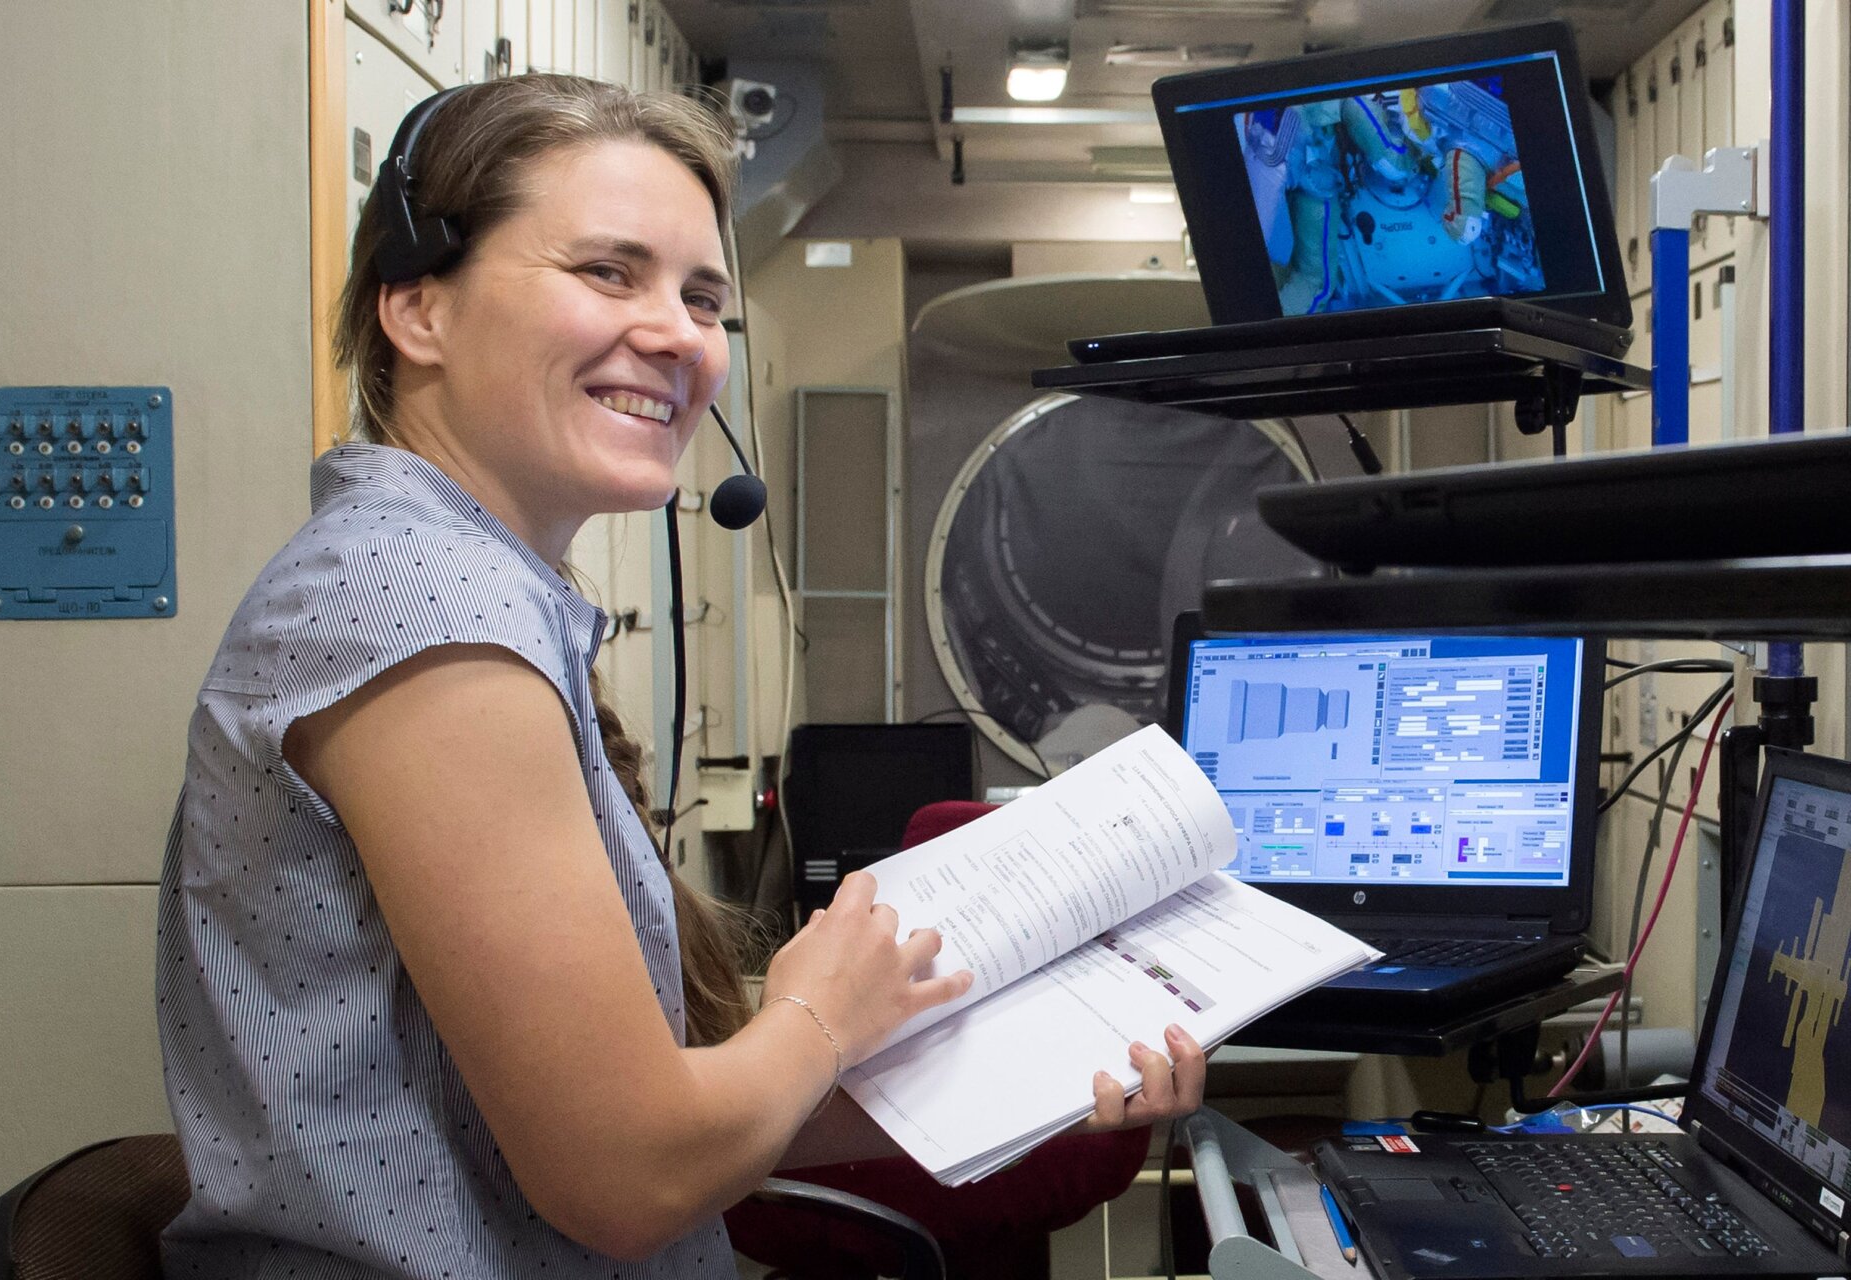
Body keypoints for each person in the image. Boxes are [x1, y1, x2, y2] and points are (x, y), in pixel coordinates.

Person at [154, 73, 1208, 1278]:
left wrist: (1040, 1078)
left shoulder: (462, 587)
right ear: (416, 308)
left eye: (702, 296)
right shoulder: (422, 605)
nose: (678, 335)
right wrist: (815, 1011)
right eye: (608, 271)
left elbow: (666, 1126)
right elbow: (630, 1176)